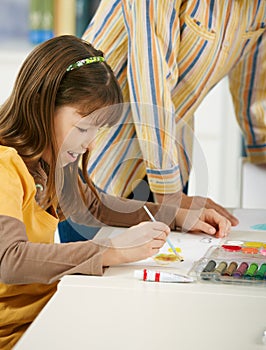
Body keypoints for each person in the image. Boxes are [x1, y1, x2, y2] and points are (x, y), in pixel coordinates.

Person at [0, 35, 231, 349]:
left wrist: (175, 214)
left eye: (98, 130)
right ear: (42, 102)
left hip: (49, 314)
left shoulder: (48, 162)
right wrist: (113, 250)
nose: (90, 144)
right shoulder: (4, 165)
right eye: (83, 127)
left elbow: (94, 205)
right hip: (18, 336)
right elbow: (10, 259)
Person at [81, 0, 266, 224]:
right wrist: (170, 196)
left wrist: (261, 151)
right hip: (96, 155)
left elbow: (255, 84)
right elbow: (151, 79)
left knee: (176, 256)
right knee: (98, 258)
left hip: (168, 158)